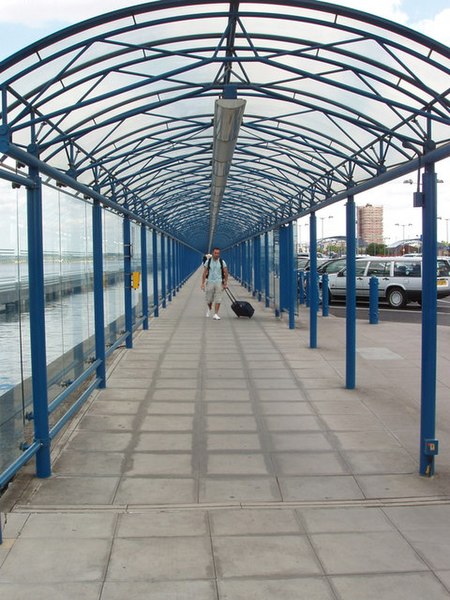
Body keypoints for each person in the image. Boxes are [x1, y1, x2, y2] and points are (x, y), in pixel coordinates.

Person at [201, 247, 228, 320]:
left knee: (218, 298)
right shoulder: (208, 262)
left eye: (218, 253)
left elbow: (226, 272)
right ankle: (209, 308)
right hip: (210, 281)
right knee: (209, 299)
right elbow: (204, 273)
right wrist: (202, 283)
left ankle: (216, 314)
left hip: (219, 282)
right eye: (215, 253)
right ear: (213, 253)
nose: (217, 254)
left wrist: (225, 282)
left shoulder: (222, 262)